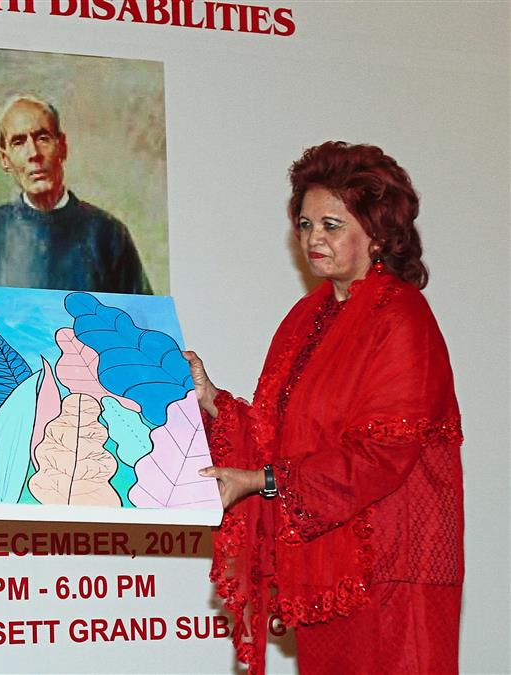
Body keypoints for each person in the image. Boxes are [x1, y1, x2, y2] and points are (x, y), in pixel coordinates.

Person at [186, 141, 463, 674]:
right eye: (305, 224)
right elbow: (275, 434)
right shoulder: (306, 317)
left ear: (377, 234)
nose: (314, 238)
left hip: (391, 575)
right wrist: (210, 399)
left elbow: (382, 455)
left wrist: (265, 481)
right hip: (324, 570)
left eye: (331, 225)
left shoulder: (401, 316)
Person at [0, 94, 152, 294]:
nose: (33, 154)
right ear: (4, 159)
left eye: (42, 138)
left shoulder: (107, 234)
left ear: (62, 146)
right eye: (18, 142)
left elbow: (143, 324)